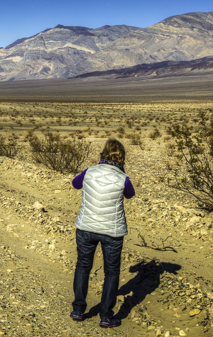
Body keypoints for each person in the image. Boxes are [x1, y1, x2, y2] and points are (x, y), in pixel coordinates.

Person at [70, 138, 135, 328]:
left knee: (83, 266)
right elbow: (130, 194)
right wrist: (120, 173)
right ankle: (106, 316)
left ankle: (78, 309)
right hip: (112, 232)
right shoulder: (123, 178)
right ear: (121, 156)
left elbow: (75, 184)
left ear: (103, 153)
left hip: (86, 227)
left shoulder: (89, 171)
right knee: (111, 272)